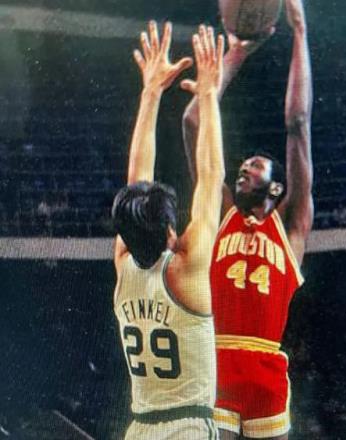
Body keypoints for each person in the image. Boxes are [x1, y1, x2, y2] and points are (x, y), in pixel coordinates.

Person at [182, 0, 313, 438]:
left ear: (276, 189)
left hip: (266, 369)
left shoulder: (290, 228)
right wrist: (237, 53)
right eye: (243, 164)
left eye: (255, 165)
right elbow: (193, 121)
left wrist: (299, 32)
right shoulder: (221, 214)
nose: (243, 167)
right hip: (217, 362)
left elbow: (298, 122)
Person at [111, 20, 225, 439]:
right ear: (171, 232)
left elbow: (135, 182)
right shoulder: (185, 270)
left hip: (139, 428)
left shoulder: (123, 264)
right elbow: (211, 177)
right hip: (187, 427)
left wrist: (150, 92)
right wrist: (208, 94)